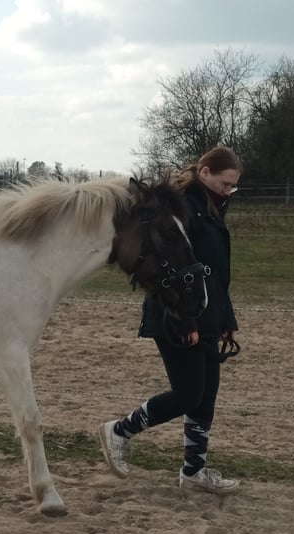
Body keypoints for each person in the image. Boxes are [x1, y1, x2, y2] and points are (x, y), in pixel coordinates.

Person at [98, 146, 242, 494]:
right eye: (225, 184)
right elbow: (167, 269)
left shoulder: (210, 211)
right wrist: (185, 323)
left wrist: (226, 318)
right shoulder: (180, 212)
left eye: (233, 187)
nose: (229, 191)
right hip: (176, 314)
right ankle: (119, 430)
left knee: (205, 397)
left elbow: (215, 275)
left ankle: (194, 472)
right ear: (205, 172)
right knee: (189, 393)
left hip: (206, 312)